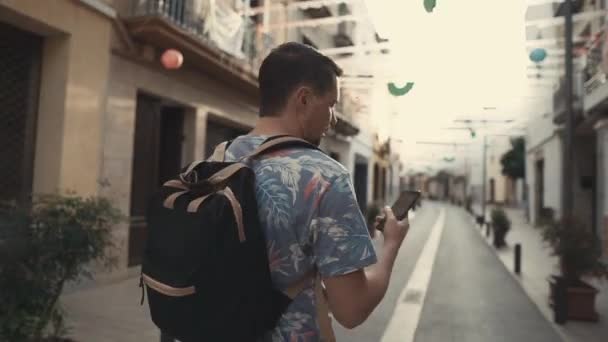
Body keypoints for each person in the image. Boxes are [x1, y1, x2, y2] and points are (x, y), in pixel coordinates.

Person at [222, 42, 409, 341]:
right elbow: (352, 309)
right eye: (331, 104)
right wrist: (391, 246)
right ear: (304, 100)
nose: (333, 118)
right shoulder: (325, 177)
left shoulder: (218, 159)